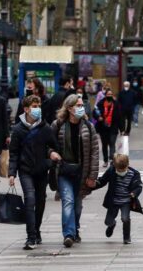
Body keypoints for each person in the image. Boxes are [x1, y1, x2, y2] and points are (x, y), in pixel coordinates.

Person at [8, 95, 59, 249]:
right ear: (26, 109)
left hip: (42, 170)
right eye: (34, 106)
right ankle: (30, 236)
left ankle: (36, 229)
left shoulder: (46, 128)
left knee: (40, 201)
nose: (37, 109)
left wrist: (51, 156)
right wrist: (12, 173)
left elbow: (53, 146)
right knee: (29, 200)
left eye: (38, 106)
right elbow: (14, 153)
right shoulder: (17, 129)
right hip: (25, 171)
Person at [51, 94, 100, 247]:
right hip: (64, 170)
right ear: (70, 108)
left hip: (81, 172)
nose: (82, 108)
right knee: (68, 201)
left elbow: (94, 152)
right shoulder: (57, 125)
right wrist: (51, 153)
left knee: (77, 205)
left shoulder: (88, 126)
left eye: (82, 105)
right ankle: (69, 234)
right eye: (78, 105)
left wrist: (93, 175)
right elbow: (49, 144)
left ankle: (75, 229)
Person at [93, 153, 143, 244]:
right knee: (108, 221)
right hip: (114, 201)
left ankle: (126, 237)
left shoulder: (134, 174)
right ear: (114, 166)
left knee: (125, 218)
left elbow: (139, 186)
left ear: (128, 165)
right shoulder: (111, 171)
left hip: (126, 201)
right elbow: (103, 180)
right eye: (119, 170)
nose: (121, 171)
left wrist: (134, 193)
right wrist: (94, 185)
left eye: (123, 169)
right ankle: (112, 225)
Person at [96, 89, 122, 167]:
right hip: (103, 128)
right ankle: (105, 160)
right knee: (104, 145)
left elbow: (120, 117)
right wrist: (98, 117)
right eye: (108, 94)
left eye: (111, 94)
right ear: (105, 95)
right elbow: (95, 112)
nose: (109, 96)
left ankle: (112, 160)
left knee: (112, 143)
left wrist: (122, 129)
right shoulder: (100, 103)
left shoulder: (116, 104)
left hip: (113, 127)